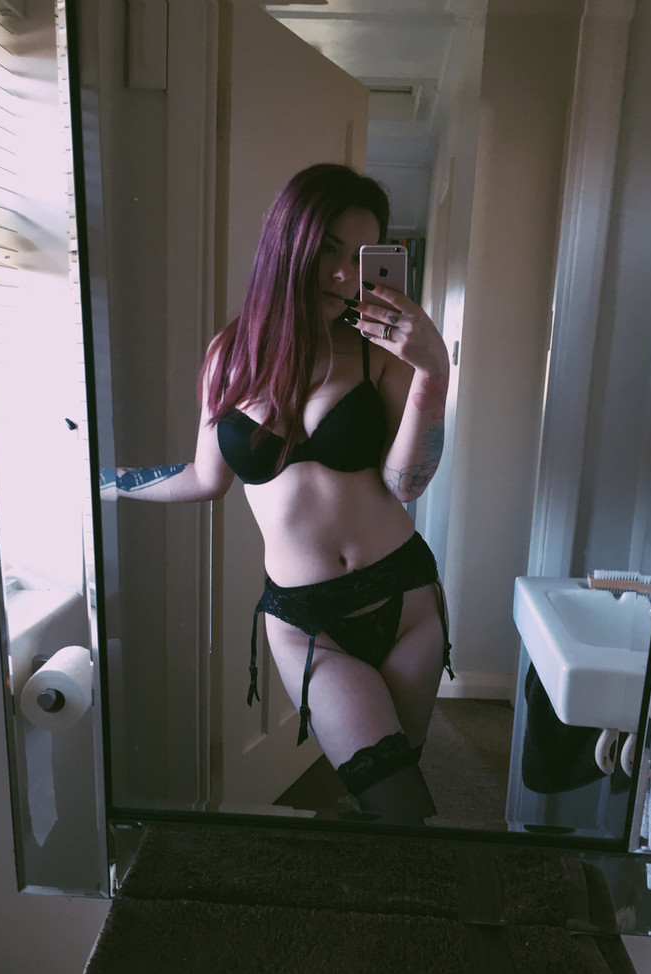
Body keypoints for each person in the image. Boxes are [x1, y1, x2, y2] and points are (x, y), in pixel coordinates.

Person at [101, 163, 453, 821]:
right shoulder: (230, 354)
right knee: (398, 801)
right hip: (306, 620)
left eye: (359, 256)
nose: (344, 275)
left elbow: (406, 485)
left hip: (403, 597)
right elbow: (205, 478)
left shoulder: (378, 351)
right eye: (328, 250)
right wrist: (107, 482)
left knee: (392, 799)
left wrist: (433, 372)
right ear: (288, 243)